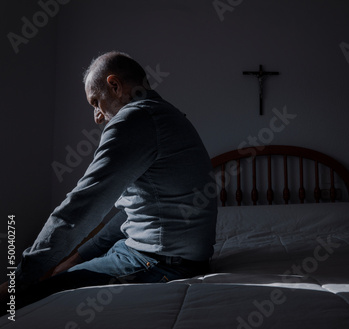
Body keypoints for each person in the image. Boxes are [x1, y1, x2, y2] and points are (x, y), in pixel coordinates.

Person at [0, 51, 217, 310]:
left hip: (160, 261)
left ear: (114, 85)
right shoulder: (166, 114)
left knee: (23, 302)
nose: (97, 117)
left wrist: (19, 279)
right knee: (62, 273)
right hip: (175, 257)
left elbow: (81, 206)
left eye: (95, 102)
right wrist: (76, 258)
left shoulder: (135, 119)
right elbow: (133, 213)